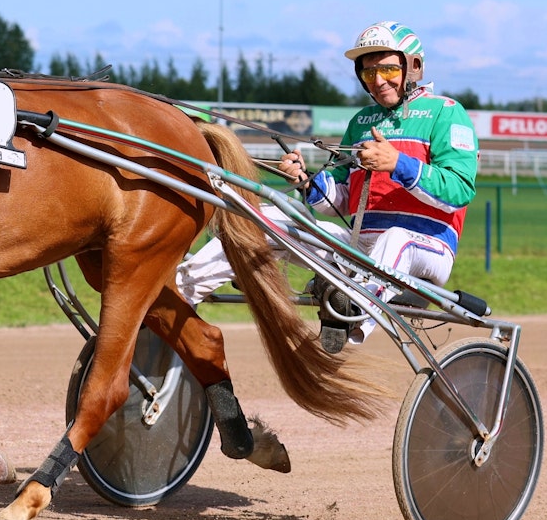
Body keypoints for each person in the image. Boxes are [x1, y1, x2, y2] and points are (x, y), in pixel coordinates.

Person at [177, 21, 478, 352]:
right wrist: (306, 182)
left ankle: (350, 315)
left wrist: (397, 163)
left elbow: (459, 190)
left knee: (396, 238)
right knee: (271, 215)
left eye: (389, 69)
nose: (378, 81)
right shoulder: (362, 122)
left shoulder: (447, 113)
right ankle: (179, 291)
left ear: (414, 66)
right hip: (359, 249)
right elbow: (340, 199)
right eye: (369, 73)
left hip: (426, 250)